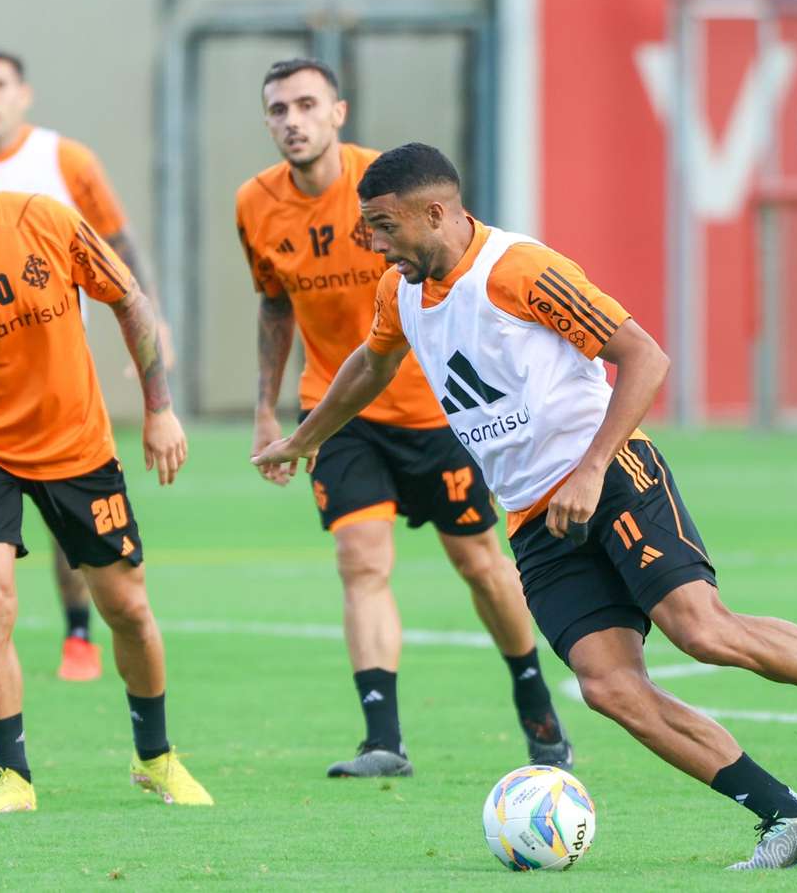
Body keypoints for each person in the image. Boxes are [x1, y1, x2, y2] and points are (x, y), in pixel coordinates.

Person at [253, 142, 797, 867]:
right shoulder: (398, 292)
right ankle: (790, 817)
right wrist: (304, 439)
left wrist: (591, 470)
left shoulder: (519, 270)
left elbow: (645, 356)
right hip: (534, 516)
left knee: (701, 629)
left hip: (612, 472)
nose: (374, 244)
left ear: (435, 213)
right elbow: (372, 364)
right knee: (609, 686)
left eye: (384, 226)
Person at [238, 59, 572, 778]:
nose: (292, 120)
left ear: (338, 113)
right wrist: (267, 408)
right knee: (361, 561)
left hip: (435, 410)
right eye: (278, 109)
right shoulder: (255, 204)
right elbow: (273, 304)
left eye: (307, 104)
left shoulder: (385, 193)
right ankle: (382, 740)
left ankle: (535, 700)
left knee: (479, 563)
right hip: (338, 409)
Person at [0, 107, 211, 812]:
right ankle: (13, 777)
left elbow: (130, 301)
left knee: (128, 609)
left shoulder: (47, 222)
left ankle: (155, 757)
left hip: (75, 444)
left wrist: (158, 408)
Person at [0, 50, 172, 683]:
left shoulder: (64, 162)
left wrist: (158, 327)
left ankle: (79, 635)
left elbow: (119, 246)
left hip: (54, 366)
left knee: (64, 521)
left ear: (23, 94)